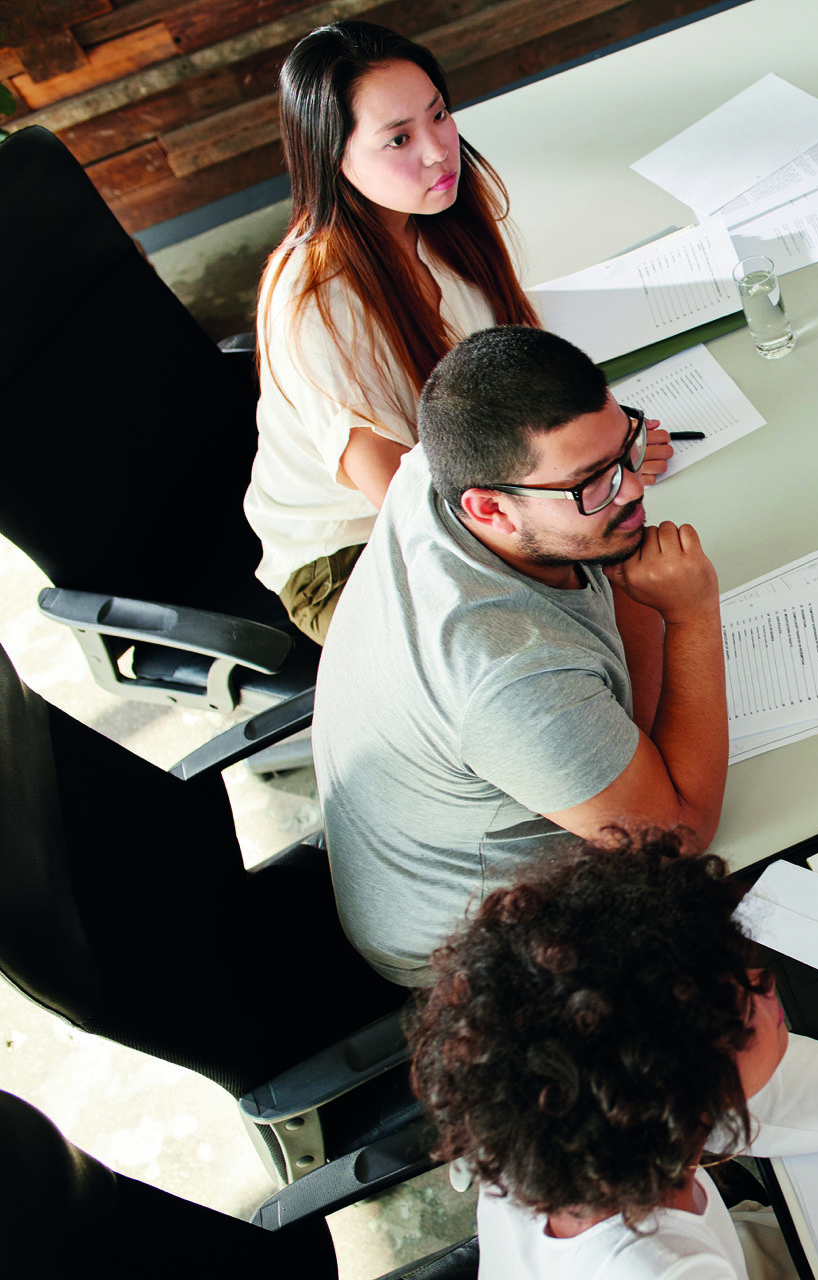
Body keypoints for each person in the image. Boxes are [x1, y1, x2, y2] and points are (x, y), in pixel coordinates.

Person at [408, 837, 818, 1280]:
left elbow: (755, 1088)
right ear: (693, 1096)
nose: (767, 983)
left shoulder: (567, 1127)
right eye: (742, 1005)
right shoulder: (662, 1271)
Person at [313, 325, 723, 986]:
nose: (632, 492)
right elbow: (676, 842)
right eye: (590, 481)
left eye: (628, 448)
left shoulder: (441, 462)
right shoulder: (506, 673)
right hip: (480, 959)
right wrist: (691, 615)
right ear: (490, 508)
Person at [242, 21, 670, 643]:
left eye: (439, 114)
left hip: (476, 488)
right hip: (353, 554)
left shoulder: (437, 213)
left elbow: (521, 373)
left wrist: (607, 461)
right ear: (334, 158)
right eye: (398, 139)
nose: (439, 150)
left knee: (632, 584)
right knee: (574, 639)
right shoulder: (314, 302)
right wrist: (580, 497)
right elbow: (403, 506)